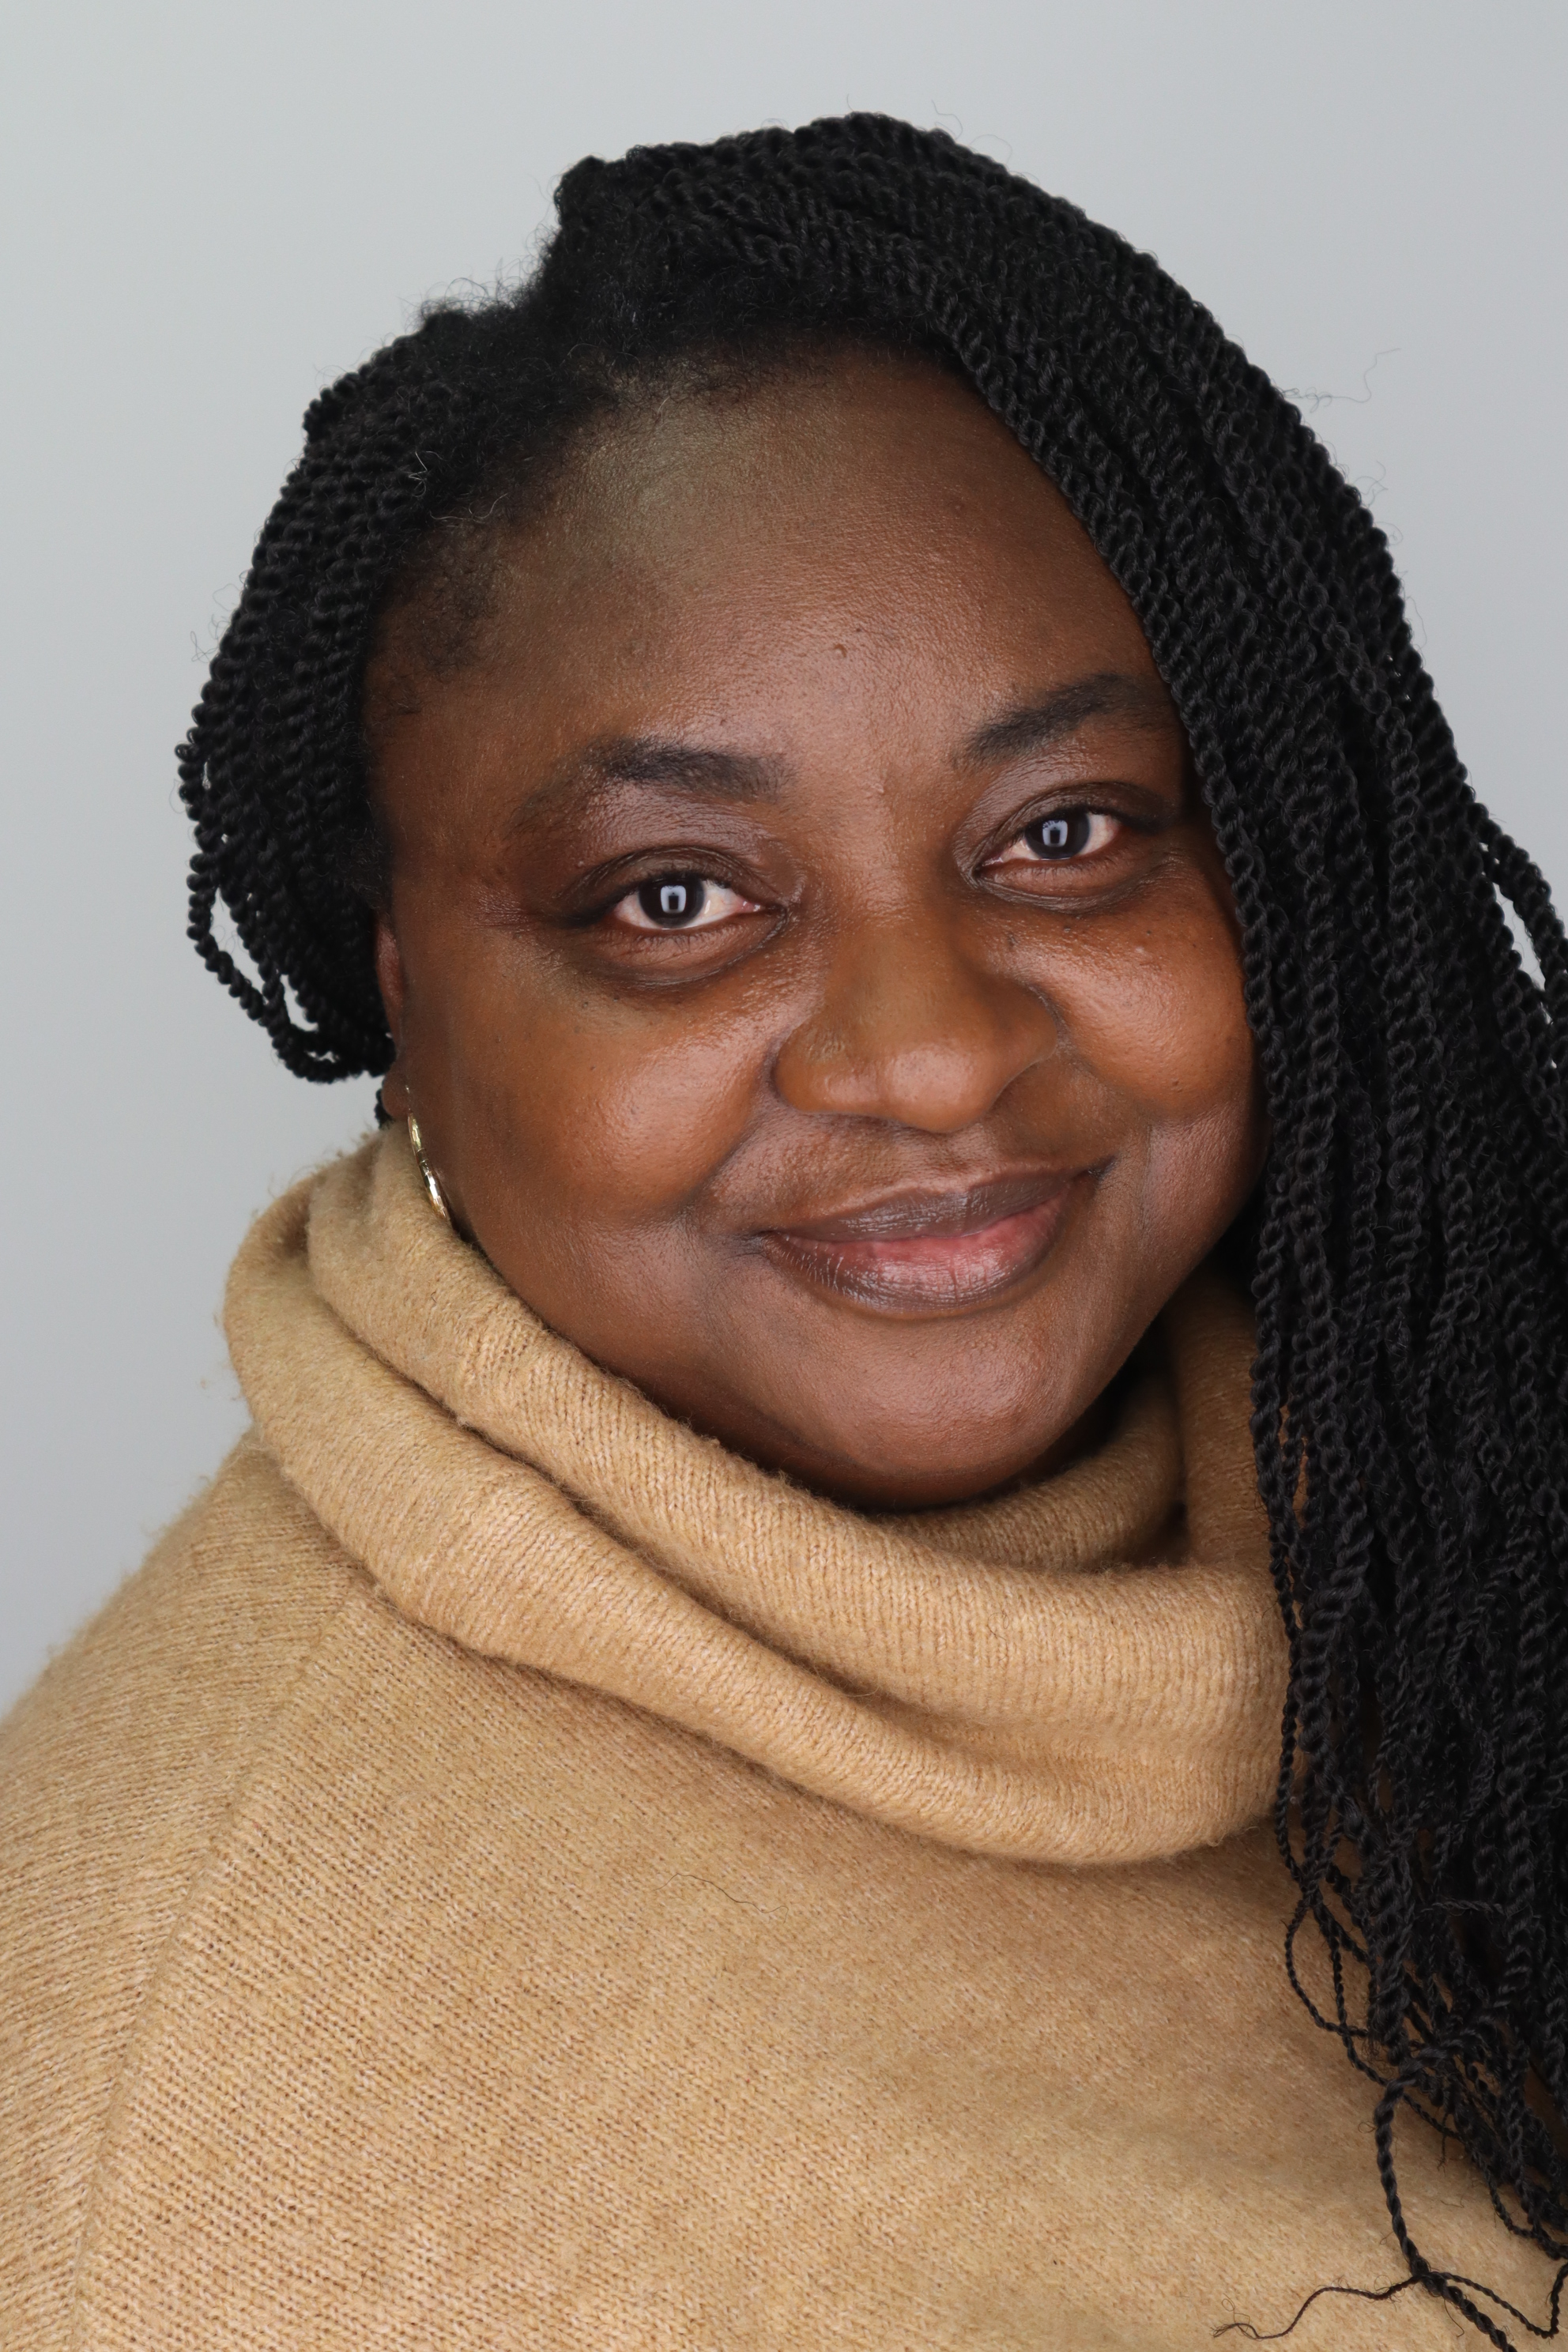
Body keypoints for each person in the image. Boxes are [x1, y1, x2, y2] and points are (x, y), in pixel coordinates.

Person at [2, 113, 1564, 2351]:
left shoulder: (1445, 1471)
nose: (926, 1057)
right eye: (674, 899)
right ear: (399, 997)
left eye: (1067, 830)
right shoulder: (180, 2155)